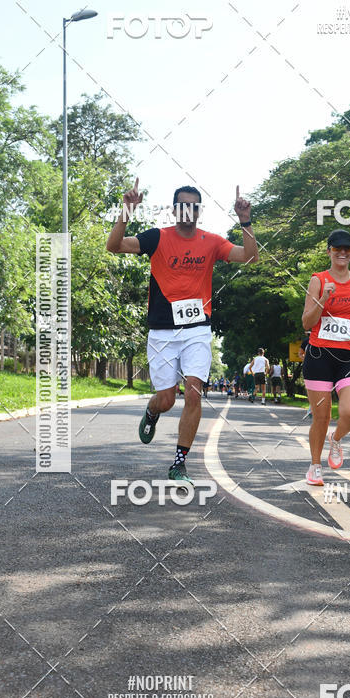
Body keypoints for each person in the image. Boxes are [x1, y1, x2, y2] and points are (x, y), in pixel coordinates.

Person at [106, 179, 258, 485]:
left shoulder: (211, 242)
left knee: (193, 392)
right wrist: (126, 210)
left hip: (197, 331)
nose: (188, 211)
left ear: (199, 211)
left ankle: (179, 463)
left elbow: (250, 256)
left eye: (194, 206)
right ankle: (152, 412)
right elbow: (114, 246)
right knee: (166, 400)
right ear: (176, 210)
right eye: (182, 205)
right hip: (162, 332)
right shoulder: (156, 238)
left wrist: (245, 221)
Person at [301, 229, 350, 485]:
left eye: (347, 249)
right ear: (329, 251)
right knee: (322, 416)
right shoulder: (318, 280)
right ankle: (315, 466)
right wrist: (324, 298)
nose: (342, 253)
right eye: (337, 249)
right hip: (320, 355)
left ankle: (337, 439)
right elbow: (306, 322)